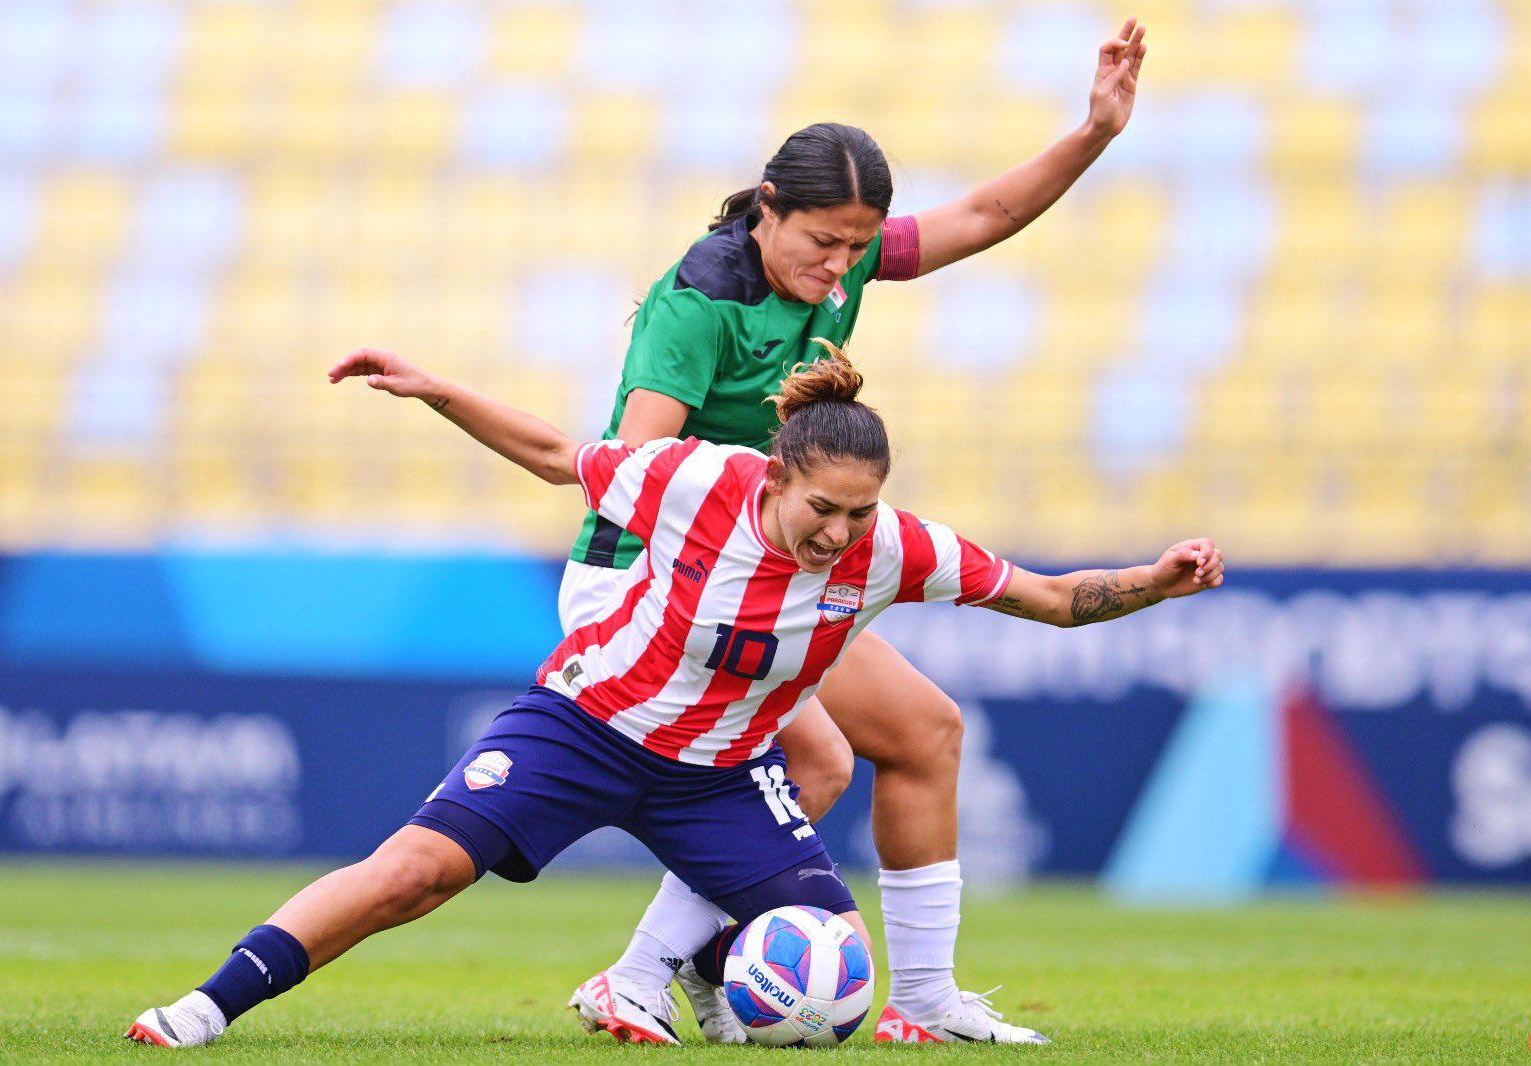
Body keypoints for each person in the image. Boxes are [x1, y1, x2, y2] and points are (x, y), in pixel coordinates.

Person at [124, 343, 1223, 1049]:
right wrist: (442, 392)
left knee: (825, 969)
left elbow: (1049, 597)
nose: (839, 533)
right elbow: (562, 456)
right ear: (777, 474)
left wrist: (1155, 583)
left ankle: (687, 970)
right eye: (823, 508)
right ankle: (206, 1007)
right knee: (415, 873)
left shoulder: (891, 549)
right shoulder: (692, 476)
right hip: (583, 726)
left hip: (719, 778)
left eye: (860, 512)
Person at [565, 17, 1148, 1046]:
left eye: (855, 245)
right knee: (823, 764)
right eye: (820, 241)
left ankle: (920, 1003)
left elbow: (982, 212)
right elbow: (636, 472)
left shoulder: (837, 262)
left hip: (767, 572)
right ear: (767, 209)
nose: (840, 267)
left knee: (922, 733)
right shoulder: (700, 299)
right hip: (647, 578)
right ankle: (642, 973)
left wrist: (1093, 131)